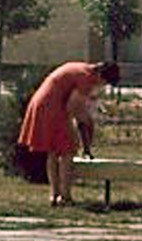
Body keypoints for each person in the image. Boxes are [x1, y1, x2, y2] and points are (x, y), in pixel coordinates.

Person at [17, 60, 119, 206]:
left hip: (40, 103)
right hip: (53, 107)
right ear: (102, 77)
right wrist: (87, 123)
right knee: (68, 151)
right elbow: (73, 108)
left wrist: (85, 140)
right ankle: (65, 196)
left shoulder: (81, 68)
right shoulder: (87, 78)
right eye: (105, 83)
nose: (102, 86)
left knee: (53, 151)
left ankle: (54, 194)